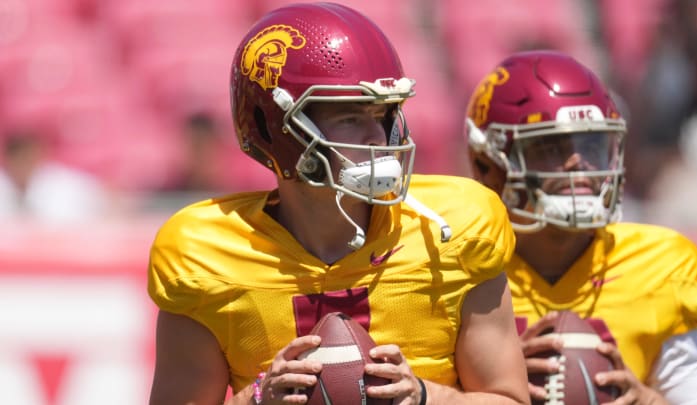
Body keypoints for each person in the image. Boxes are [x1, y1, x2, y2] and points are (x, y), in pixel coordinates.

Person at [147, 3, 529, 405]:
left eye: (381, 115)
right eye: (349, 118)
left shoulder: (454, 229)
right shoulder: (205, 255)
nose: (376, 139)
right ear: (272, 127)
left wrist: (425, 395)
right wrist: (256, 399)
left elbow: (509, 399)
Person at [464, 50, 697, 404]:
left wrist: (644, 399)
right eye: (551, 146)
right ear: (487, 165)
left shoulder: (660, 264)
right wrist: (492, 377)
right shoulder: (458, 265)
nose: (578, 162)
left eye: (592, 145)